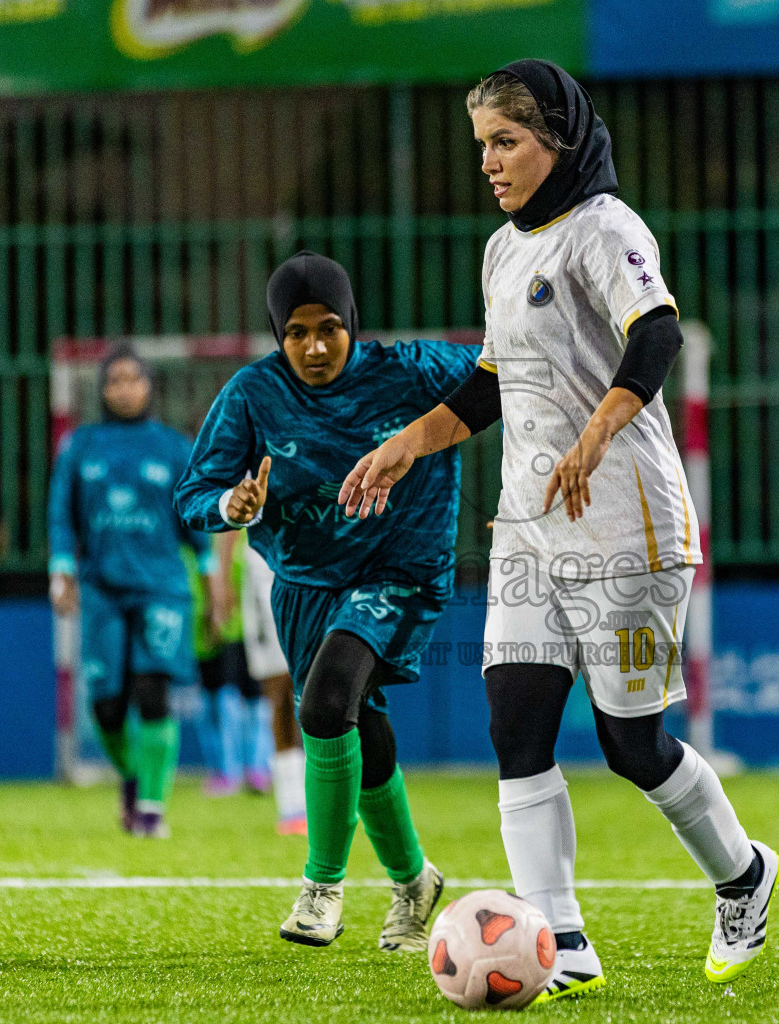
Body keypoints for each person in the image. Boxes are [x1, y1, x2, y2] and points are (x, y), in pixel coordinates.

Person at [339, 59, 779, 998]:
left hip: (625, 525)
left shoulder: (606, 227)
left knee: (631, 745)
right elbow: (492, 383)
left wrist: (597, 430)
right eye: (482, 145)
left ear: (558, 137)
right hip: (531, 532)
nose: (489, 162)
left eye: (506, 141)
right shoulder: (502, 251)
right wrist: (406, 443)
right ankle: (559, 939)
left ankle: (744, 875)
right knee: (516, 722)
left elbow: (657, 334)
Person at [173, 250, 477, 951]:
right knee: (359, 723)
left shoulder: (413, 369)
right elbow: (192, 495)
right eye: (297, 332)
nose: (314, 347)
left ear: (353, 325)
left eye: (329, 328)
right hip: (305, 586)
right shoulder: (251, 395)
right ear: (278, 335)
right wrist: (230, 502)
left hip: (400, 569)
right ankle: (413, 881)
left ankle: (321, 887)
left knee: (325, 702)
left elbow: (506, 374)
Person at [48, 344, 211, 839]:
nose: (124, 389)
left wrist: (212, 584)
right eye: (114, 380)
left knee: (152, 691)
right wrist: (61, 568)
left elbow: (197, 524)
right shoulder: (81, 445)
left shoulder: (173, 447)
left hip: (162, 589)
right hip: (102, 589)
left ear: (149, 386)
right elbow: (61, 513)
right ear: (101, 389)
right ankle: (133, 776)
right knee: (106, 707)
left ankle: (152, 809)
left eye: (133, 379)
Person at [189, 531, 275, 799]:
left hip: (255, 622)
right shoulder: (211, 530)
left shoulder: (257, 534)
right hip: (225, 624)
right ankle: (228, 770)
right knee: (223, 693)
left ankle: (257, 768)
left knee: (256, 693)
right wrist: (217, 601)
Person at [239, 529, 308, 835]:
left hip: (307, 573)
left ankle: (312, 801)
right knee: (280, 699)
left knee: (312, 699)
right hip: (263, 577)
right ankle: (291, 804)